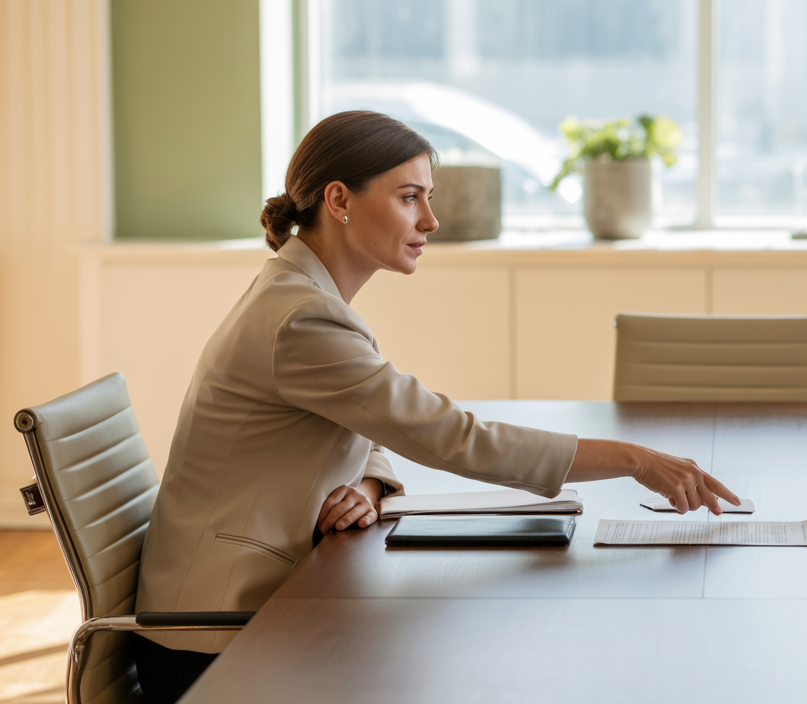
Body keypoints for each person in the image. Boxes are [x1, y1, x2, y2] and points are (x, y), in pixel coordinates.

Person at [132, 110, 740, 703]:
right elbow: (452, 437)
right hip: (214, 644)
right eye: (409, 197)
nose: (431, 219)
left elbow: (373, 428)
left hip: (245, 616)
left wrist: (369, 486)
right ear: (339, 199)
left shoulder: (303, 295)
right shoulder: (303, 318)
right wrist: (635, 460)